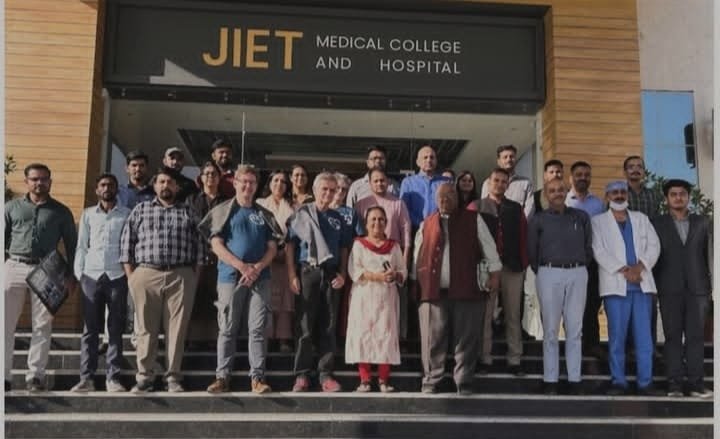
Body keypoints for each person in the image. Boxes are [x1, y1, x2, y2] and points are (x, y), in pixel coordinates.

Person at [120, 166, 207, 393]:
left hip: (181, 275)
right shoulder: (141, 210)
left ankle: (173, 377)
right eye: (161, 182)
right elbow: (126, 245)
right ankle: (144, 376)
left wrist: (194, 277)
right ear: (155, 185)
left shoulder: (188, 212)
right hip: (146, 274)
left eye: (170, 182)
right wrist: (132, 277)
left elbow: (201, 247)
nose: (165, 185)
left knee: (177, 329)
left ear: (177, 187)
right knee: (145, 329)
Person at [412, 183, 501, 395]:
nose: (445, 200)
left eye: (450, 195)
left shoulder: (473, 219)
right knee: (432, 339)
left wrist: (494, 275)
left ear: (457, 197)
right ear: (436, 200)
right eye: (441, 196)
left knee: (466, 339)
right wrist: (415, 282)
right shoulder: (427, 223)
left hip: (467, 289)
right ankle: (431, 380)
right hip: (433, 292)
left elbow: (489, 248)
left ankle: (464, 381)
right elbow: (417, 255)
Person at [202, 165, 278, 394]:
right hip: (230, 277)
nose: (247, 186)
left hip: (260, 278)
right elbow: (216, 245)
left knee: (258, 329)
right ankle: (222, 377)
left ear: (256, 185)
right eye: (243, 181)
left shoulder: (264, 214)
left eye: (252, 182)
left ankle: (257, 378)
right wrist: (242, 266)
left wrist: (257, 267)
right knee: (227, 328)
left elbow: (273, 247)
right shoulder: (223, 211)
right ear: (235, 183)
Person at [4, 163, 78, 392]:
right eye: (35, 179)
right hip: (14, 265)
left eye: (44, 179)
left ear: (50, 181)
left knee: (42, 324)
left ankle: (35, 376)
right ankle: (3, 376)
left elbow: (72, 245)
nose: (39, 183)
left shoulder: (61, 211)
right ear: (26, 181)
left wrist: (71, 275)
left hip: (47, 269)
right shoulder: (11, 207)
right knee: (4, 323)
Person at [591, 180, 663, 396]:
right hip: (616, 288)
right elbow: (598, 251)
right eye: (614, 192)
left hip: (642, 285)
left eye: (623, 192)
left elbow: (654, 245)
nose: (619, 195)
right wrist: (625, 270)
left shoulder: (641, 219)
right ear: (607, 197)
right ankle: (618, 381)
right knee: (617, 338)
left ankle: (645, 383)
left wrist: (639, 267)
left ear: (628, 196)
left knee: (644, 339)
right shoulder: (598, 222)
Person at [286, 172, 352, 392]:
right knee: (305, 325)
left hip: (331, 274)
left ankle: (325, 374)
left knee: (329, 325)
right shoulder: (301, 214)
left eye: (333, 190)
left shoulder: (338, 218)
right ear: (314, 190)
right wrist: (292, 275)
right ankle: (302, 374)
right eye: (324, 189)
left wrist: (343, 274)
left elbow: (344, 248)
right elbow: (290, 245)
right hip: (308, 271)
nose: (329, 193)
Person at [527, 177, 592, 395]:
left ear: (566, 192)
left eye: (561, 190)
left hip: (577, 272)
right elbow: (532, 249)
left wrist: (580, 264)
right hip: (548, 272)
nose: (557, 193)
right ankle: (550, 380)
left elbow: (588, 245)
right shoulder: (538, 219)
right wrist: (541, 269)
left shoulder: (581, 217)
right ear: (546, 194)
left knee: (575, 329)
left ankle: (575, 379)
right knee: (550, 329)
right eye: (552, 190)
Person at [652, 179, 712, 398]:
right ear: (667, 199)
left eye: (682, 194)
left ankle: (696, 384)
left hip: (698, 289)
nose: (678, 198)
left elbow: (709, 255)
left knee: (696, 337)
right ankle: (675, 385)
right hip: (669, 288)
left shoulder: (702, 222)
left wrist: (710, 287)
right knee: (673, 337)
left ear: (688, 197)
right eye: (674, 194)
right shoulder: (656, 223)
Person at [71, 174, 131, 393]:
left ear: (116, 189)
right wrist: (80, 273)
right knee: (90, 330)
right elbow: (81, 245)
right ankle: (86, 378)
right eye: (103, 185)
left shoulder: (126, 214)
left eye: (111, 185)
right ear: (97, 190)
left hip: (117, 276)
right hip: (91, 275)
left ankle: (113, 378)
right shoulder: (88, 214)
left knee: (115, 329)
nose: (107, 188)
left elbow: (130, 245)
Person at [345, 207, 407, 393]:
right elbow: (355, 270)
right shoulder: (359, 244)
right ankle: (365, 380)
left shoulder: (394, 246)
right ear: (366, 223)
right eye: (373, 219)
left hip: (386, 298)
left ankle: (383, 379)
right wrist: (377, 276)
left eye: (381, 219)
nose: (377, 223)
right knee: (363, 334)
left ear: (386, 223)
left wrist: (394, 275)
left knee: (385, 335)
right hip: (364, 297)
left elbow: (403, 271)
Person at [475, 168, 528, 376]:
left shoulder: (515, 208)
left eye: (503, 181)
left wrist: (523, 263)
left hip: (512, 267)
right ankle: (484, 358)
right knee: (485, 315)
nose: (499, 184)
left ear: (507, 185)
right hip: (486, 268)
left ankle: (515, 359)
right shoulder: (477, 206)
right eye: (496, 180)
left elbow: (523, 236)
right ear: (489, 182)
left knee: (513, 314)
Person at [355, 168, 412, 340]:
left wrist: (404, 263)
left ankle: (399, 339)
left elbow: (406, 233)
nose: (380, 183)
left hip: (392, 258)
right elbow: (357, 232)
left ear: (388, 182)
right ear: (370, 183)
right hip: (368, 261)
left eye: (382, 180)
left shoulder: (398, 203)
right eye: (376, 180)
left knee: (395, 305)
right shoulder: (361, 204)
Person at [565, 161, 606, 360]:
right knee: (570, 305)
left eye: (586, 175)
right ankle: (573, 345)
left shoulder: (598, 204)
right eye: (579, 174)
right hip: (569, 261)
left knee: (591, 304)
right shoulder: (564, 201)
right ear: (570, 178)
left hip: (592, 261)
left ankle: (592, 344)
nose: (583, 178)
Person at [185, 161, 229, 345]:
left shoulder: (227, 201)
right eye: (207, 173)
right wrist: (210, 240)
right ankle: (193, 340)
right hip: (196, 255)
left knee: (218, 300)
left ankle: (214, 340)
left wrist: (217, 245)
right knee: (194, 299)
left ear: (219, 178)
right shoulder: (191, 200)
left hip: (220, 257)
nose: (210, 176)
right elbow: (193, 224)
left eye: (214, 174)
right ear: (201, 178)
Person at [623, 155, 661, 354]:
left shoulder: (653, 195)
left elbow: (657, 225)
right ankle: (629, 348)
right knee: (626, 304)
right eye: (631, 167)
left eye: (639, 166)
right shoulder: (619, 193)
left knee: (649, 303)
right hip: (624, 256)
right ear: (625, 172)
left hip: (648, 257)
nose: (635, 169)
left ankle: (650, 348)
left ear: (644, 171)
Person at [256, 170, 296, 353]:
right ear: (269, 183)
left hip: (286, 257)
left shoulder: (293, 207)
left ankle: (283, 339)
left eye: (283, 181)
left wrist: (283, 251)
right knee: (266, 298)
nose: (279, 184)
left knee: (286, 299)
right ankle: (266, 337)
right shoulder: (259, 204)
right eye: (276, 180)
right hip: (265, 258)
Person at [400, 145, 450, 230]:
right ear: (418, 162)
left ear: (436, 161)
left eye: (432, 157)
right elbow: (404, 208)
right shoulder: (408, 182)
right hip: (415, 229)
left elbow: (450, 206)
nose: (429, 160)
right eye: (425, 157)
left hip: (439, 229)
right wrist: (421, 224)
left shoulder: (445, 182)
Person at [481, 145, 534, 218]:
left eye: (511, 157)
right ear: (498, 161)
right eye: (505, 157)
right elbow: (484, 208)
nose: (509, 159)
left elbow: (530, 207)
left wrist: (521, 223)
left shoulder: (526, 183)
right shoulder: (488, 183)